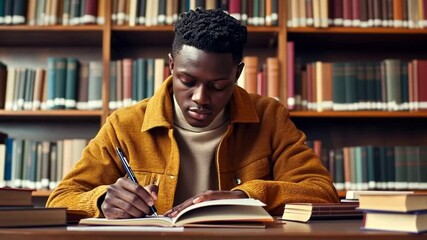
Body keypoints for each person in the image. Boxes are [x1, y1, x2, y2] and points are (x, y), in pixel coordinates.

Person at [47, 8, 339, 219]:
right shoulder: (125, 124)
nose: (201, 98)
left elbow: (322, 192)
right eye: (187, 82)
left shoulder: (269, 117)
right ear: (172, 66)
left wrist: (245, 197)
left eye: (218, 86)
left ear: (237, 74)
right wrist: (100, 201)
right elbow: (60, 199)